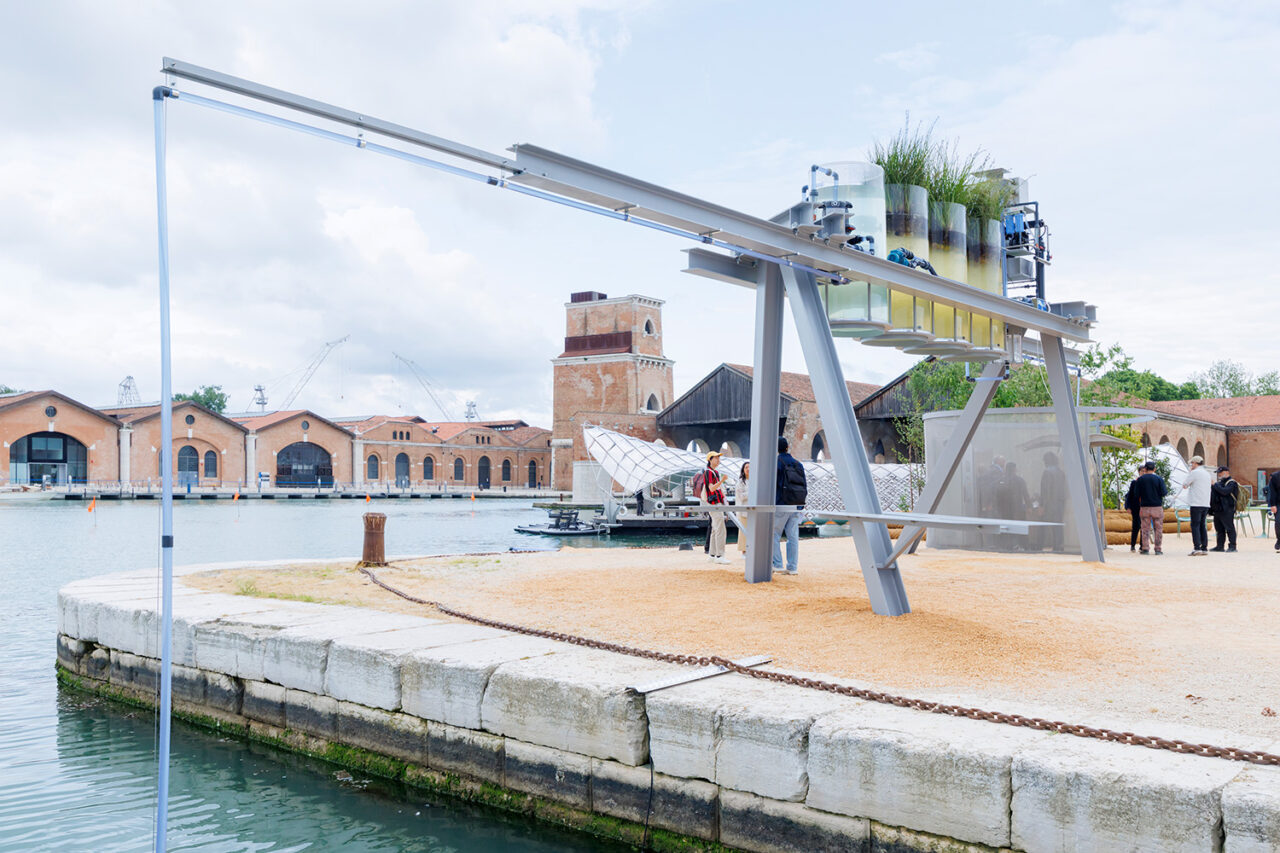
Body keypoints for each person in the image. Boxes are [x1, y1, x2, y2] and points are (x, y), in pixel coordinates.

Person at [773, 436, 806, 575]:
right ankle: (792, 567)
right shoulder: (798, 464)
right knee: (793, 537)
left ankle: (778, 564)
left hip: (781, 503)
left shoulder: (776, 463)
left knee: (774, 535)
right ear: (787, 448)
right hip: (796, 504)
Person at [697, 450, 730, 564]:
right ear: (710, 460)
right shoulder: (710, 472)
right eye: (715, 458)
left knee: (715, 528)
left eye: (718, 458)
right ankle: (720, 555)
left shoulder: (713, 472)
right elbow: (712, 488)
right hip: (714, 503)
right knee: (720, 528)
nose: (718, 460)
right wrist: (722, 480)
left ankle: (712, 554)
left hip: (714, 503)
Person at [1176, 455, 1211, 556]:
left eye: (1192, 463)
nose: (1191, 465)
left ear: (1195, 463)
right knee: (1202, 525)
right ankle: (1204, 547)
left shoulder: (1194, 473)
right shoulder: (1207, 473)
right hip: (1205, 503)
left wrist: (1190, 473)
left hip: (1196, 503)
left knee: (1195, 525)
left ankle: (1197, 547)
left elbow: (1185, 485)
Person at [1134, 460, 1168, 554]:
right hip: (1157, 506)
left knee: (1145, 528)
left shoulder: (1140, 479)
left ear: (1145, 469)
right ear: (1154, 469)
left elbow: (1136, 494)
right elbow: (1164, 493)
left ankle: (1145, 548)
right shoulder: (1159, 479)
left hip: (1144, 506)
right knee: (1158, 528)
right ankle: (1158, 549)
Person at [1039, 453, 1067, 552]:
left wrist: (1042, 505)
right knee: (1058, 526)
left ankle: (1040, 546)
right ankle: (1058, 546)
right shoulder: (1061, 472)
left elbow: (1045, 491)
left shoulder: (1047, 472)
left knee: (1043, 525)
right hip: (1060, 503)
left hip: (1050, 504)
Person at [1209, 465, 1239, 552]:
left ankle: (1232, 546)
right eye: (1218, 473)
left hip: (1227, 509)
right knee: (1219, 529)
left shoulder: (1232, 483)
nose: (1219, 475)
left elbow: (1225, 492)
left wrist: (1215, 485)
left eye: (1220, 473)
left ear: (1226, 472)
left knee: (1229, 528)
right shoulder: (1219, 483)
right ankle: (1220, 546)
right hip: (1218, 509)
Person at [1123, 464, 1144, 552]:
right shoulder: (1134, 482)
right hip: (1136, 507)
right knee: (1136, 526)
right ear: (1139, 472)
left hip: (1145, 507)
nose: (1143, 473)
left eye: (1145, 471)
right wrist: (1127, 506)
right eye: (1142, 471)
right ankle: (1132, 545)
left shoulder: (1148, 483)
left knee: (1144, 527)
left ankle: (1142, 545)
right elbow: (1129, 495)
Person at [735, 461, 750, 555]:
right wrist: (752, 492)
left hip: (754, 510)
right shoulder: (740, 482)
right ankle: (744, 551)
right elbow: (741, 496)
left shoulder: (756, 481)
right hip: (743, 510)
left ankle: (752, 549)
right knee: (743, 531)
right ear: (743, 470)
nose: (748, 469)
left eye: (750, 467)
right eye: (746, 467)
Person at [1269, 469, 1280, 553]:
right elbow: (1272, 492)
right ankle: (1279, 539)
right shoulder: (1275, 476)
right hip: (1279, 504)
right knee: (1278, 522)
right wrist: (1272, 504)